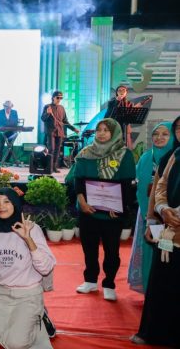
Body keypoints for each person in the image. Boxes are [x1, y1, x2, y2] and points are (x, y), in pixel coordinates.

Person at [0, 188, 56, 349]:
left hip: (28, 294)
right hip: (2, 293)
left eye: (6, 202)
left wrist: (28, 239)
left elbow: (46, 268)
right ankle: (26, 322)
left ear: (15, 204)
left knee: (16, 343)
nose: (1, 206)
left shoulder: (31, 229)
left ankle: (40, 318)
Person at [73, 118, 135, 301]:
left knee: (112, 251)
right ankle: (90, 280)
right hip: (88, 211)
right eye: (98, 130)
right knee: (89, 249)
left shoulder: (124, 154)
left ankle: (109, 283)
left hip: (112, 213)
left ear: (114, 133)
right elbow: (78, 180)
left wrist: (120, 207)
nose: (101, 133)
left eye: (106, 130)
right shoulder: (86, 153)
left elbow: (128, 184)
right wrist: (82, 202)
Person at [132, 116, 180, 347]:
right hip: (167, 228)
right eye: (178, 128)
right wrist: (160, 211)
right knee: (161, 282)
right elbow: (158, 187)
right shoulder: (173, 156)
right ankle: (153, 332)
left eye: (167, 133)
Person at [128, 122, 174, 293]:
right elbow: (138, 183)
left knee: (166, 251)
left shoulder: (175, 158)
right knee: (149, 249)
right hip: (148, 212)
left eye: (165, 134)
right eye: (156, 134)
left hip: (169, 215)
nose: (159, 137)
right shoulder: (146, 157)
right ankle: (149, 288)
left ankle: (164, 291)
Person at [41, 91, 79, 172]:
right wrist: (47, 113)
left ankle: (54, 167)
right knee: (51, 149)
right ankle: (49, 167)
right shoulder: (47, 106)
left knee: (57, 150)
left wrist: (73, 129)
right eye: (58, 97)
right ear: (53, 98)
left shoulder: (62, 108)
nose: (59, 99)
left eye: (61, 98)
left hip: (60, 131)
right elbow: (43, 118)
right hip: (51, 131)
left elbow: (65, 121)